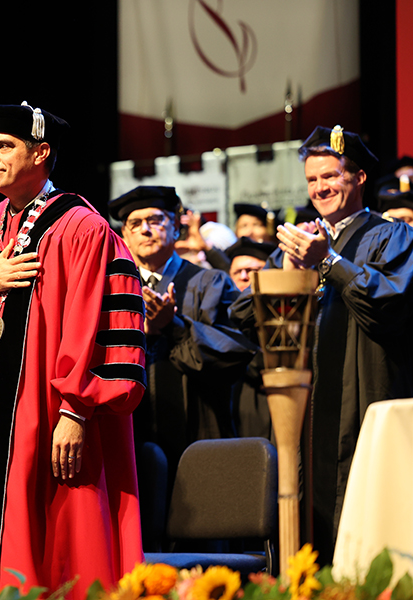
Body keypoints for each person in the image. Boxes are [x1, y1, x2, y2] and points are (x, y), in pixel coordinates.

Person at [0, 102, 145, 599]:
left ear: (41, 153)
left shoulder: (81, 227)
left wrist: (77, 410)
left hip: (51, 415)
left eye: (5, 146)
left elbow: (100, 321)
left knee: (56, 536)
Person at [230, 125, 413, 563]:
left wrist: (328, 263)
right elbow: (240, 316)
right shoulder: (301, 242)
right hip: (302, 410)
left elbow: (387, 309)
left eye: (330, 176)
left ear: (360, 177)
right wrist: (288, 270)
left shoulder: (390, 236)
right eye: (312, 180)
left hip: (361, 400)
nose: (320, 188)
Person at [108, 186, 255, 496]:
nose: (146, 229)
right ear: (124, 235)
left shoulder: (211, 281)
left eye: (156, 220)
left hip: (199, 427)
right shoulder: (111, 289)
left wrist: (172, 326)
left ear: (175, 225)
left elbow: (237, 351)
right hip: (131, 432)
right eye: (135, 224)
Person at [223, 237, 277, 439]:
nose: (245, 276)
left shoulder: (283, 310)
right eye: (238, 272)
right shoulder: (220, 311)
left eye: (253, 271)